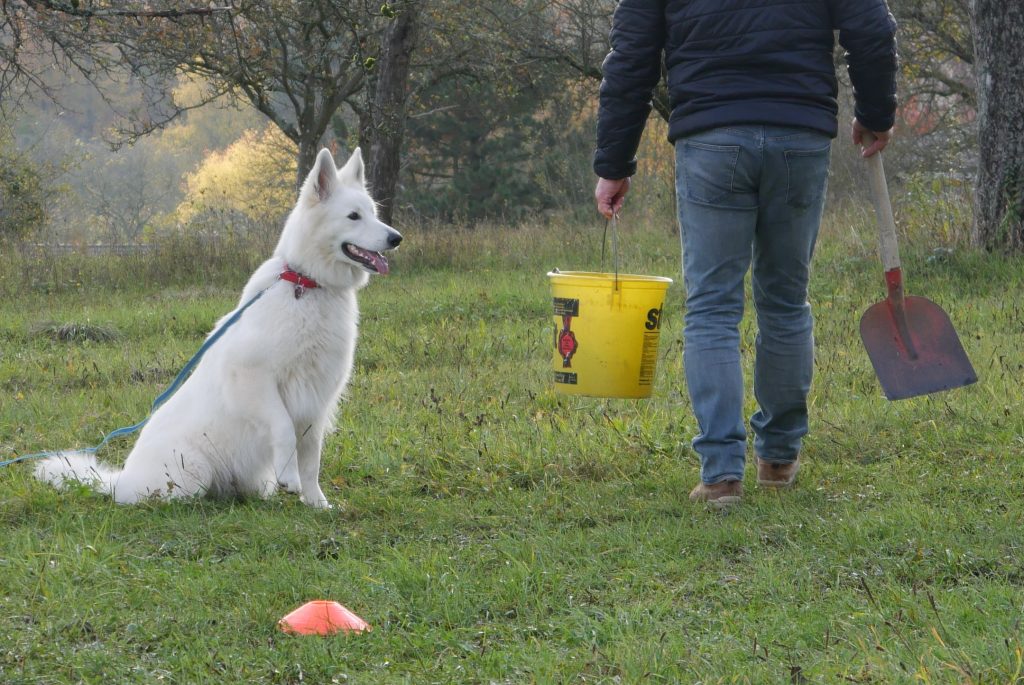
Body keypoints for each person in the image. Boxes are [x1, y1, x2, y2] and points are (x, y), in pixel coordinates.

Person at [593, 0, 898, 508]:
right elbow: (871, 27)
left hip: (710, 135)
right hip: (799, 131)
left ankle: (720, 476)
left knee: (712, 307)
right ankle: (778, 459)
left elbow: (632, 57)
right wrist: (876, 113)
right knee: (786, 300)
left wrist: (614, 162)